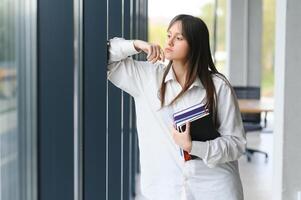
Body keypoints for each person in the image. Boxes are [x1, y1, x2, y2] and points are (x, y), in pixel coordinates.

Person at [107, 14, 246, 200]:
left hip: (214, 189)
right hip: (165, 190)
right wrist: (137, 45)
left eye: (179, 38)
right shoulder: (147, 78)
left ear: (195, 45)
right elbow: (101, 55)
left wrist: (193, 146)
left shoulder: (218, 86)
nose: (170, 42)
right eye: (168, 35)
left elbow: (236, 144)